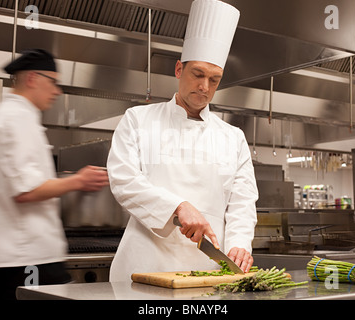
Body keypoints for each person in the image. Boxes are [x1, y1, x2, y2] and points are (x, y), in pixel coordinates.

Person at [107, 0, 258, 282]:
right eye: (197, 74)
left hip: (209, 270)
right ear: (179, 70)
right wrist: (178, 206)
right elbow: (123, 180)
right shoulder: (138, 119)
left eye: (214, 80)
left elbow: (243, 201)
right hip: (144, 266)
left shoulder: (233, 138)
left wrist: (239, 244)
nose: (204, 87)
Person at [0, 49, 109, 300]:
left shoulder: (16, 117)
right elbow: (26, 190)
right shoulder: (15, 118)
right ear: (33, 78)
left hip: (21, 255)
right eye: (53, 82)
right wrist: (79, 180)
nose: (57, 91)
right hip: (25, 257)